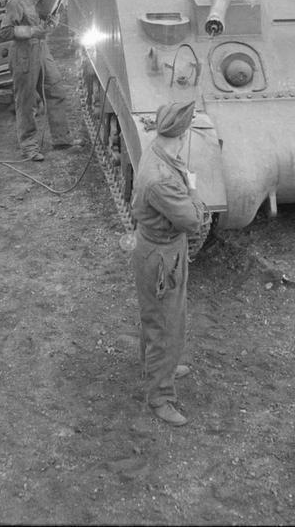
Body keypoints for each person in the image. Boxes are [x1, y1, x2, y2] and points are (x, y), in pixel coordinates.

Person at [130, 100, 206, 426]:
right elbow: (193, 221)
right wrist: (192, 189)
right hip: (162, 256)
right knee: (165, 324)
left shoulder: (157, 151)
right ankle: (160, 396)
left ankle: (161, 365)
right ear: (184, 133)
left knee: (161, 317)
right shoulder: (162, 178)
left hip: (161, 250)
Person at [0, 0, 82, 162]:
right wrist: (32, 31)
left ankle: (62, 139)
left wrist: (52, 23)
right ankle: (29, 147)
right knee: (26, 101)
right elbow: (5, 32)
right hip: (23, 53)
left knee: (56, 89)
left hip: (41, 49)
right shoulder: (17, 0)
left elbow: (46, 19)